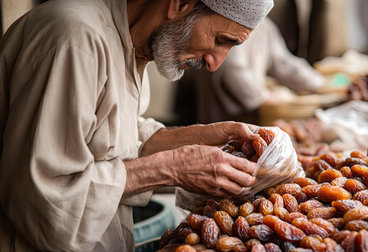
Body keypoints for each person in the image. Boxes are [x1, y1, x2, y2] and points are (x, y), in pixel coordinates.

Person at [0, 0, 273, 251]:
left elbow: (111, 140)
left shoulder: (132, 46)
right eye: (220, 40)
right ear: (180, 4)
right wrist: (170, 168)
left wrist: (198, 137)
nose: (215, 63)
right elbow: (49, 203)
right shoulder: (76, 40)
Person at [194, 17, 326, 124]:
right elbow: (231, 71)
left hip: (252, 116)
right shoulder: (227, 20)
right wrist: (264, 97)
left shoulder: (264, 25)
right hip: (222, 114)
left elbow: (283, 63)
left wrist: (319, 83)